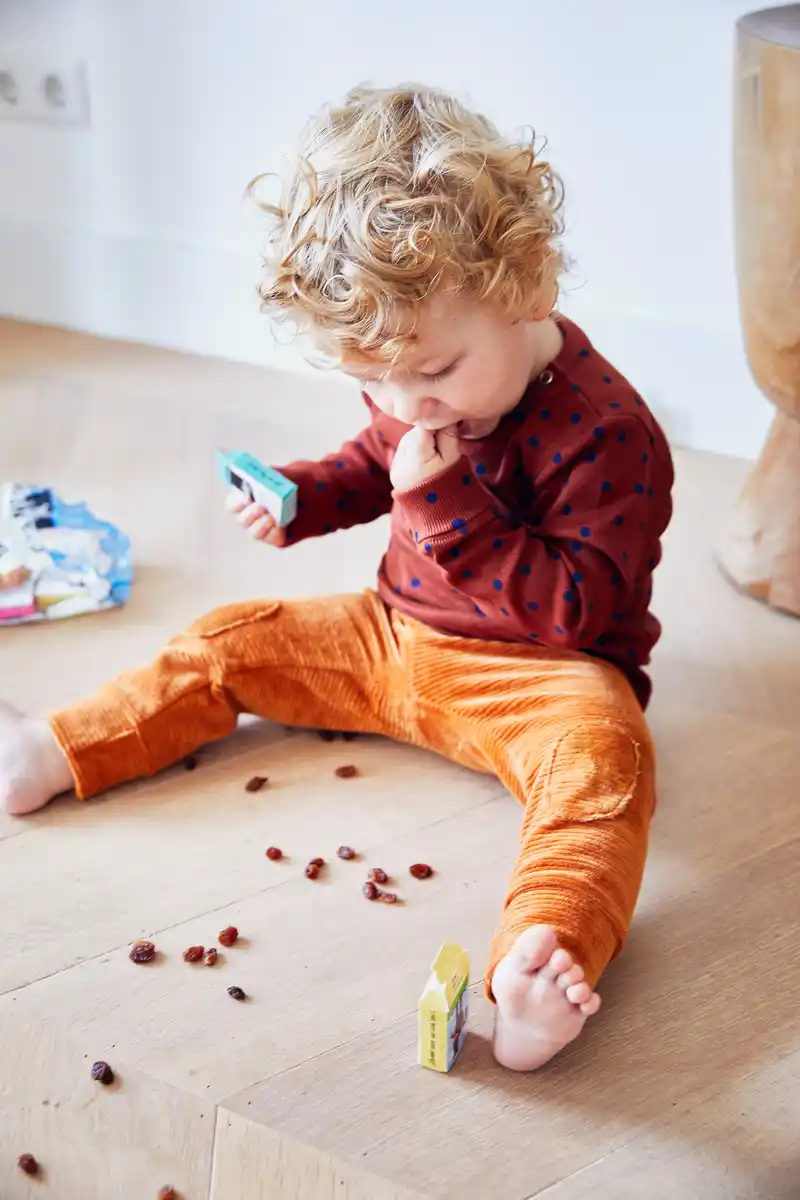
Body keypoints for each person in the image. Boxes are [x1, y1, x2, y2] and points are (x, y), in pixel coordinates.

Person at [0, 85, 673, 1071]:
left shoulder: (605, 432)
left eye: (434, 373)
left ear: (528, 285)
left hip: (540, 678)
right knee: (232, 635)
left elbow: (575, 612)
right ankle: (60, 747)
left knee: (604, 773)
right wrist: (304, 499)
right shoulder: (412, 380)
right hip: (388, 635)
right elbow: (373, 461)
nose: (408, 402)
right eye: (377, 381)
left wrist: (438, 503)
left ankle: (540, 963)